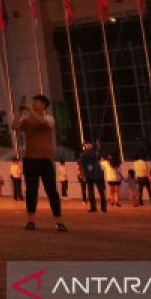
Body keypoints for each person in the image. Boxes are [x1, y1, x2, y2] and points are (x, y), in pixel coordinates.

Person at [11, 94, 66, 232]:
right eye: (33, 101)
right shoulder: (27, 119)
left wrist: (30, 110)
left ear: (44, 105)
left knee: (51, 191)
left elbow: (42, 123)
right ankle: (31, 220)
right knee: (31, 191)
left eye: (36, 102)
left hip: (45, 159)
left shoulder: (48, 118)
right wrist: (19, 111)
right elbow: (14, 126)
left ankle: (58, 221)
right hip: (30, 159)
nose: (34, 103)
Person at [77, 142, 106, 213]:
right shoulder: (95, 154)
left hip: (89, 176)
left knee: (91, 192)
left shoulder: (83, 155)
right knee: (101, 192)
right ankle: (103, 208)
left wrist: (82, 174)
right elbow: (99, 157)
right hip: (98, 175)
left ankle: (93, 207)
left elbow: (82, 166)